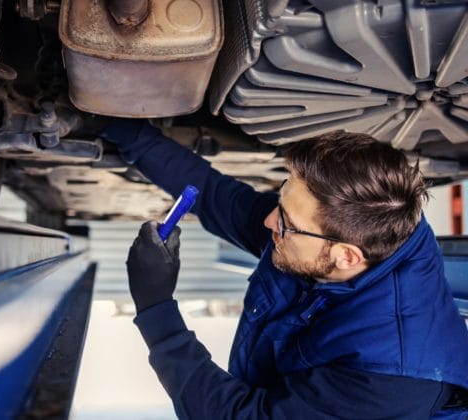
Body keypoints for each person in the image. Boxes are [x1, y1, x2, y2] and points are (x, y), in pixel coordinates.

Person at [102, 120, 468, 419]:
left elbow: (236, 416)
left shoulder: (389, 381)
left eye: (286, 222)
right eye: (281, 199)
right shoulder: (350, 226)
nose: (268, 221)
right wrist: (126, 130)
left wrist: (155, 307)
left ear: (347, 257)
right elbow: (215, 195)